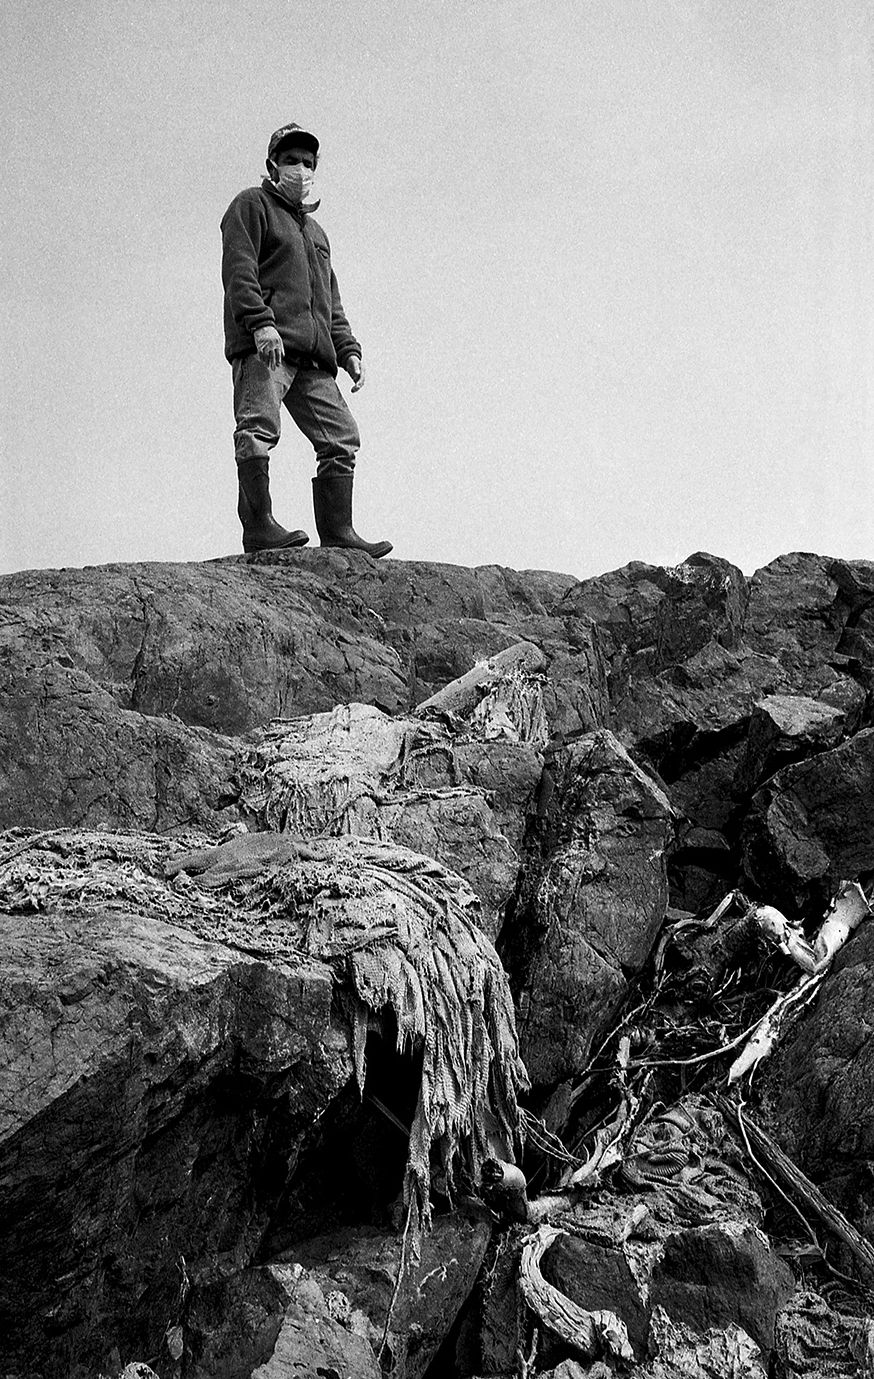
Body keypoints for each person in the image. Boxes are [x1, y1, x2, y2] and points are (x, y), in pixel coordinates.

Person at [221, 122, 392, 557]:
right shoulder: (251, 205)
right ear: (272, 165)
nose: (301, 169)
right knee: (258, 428)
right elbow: (240, 271)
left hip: (313, 359)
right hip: (269, 347)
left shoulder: (316, 233)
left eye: (308, 163)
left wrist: (348, 349)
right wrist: (260, 324)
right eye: (292, 161)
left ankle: (339, 532)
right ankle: (259, 528)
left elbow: (329, 299)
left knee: (341, 435)